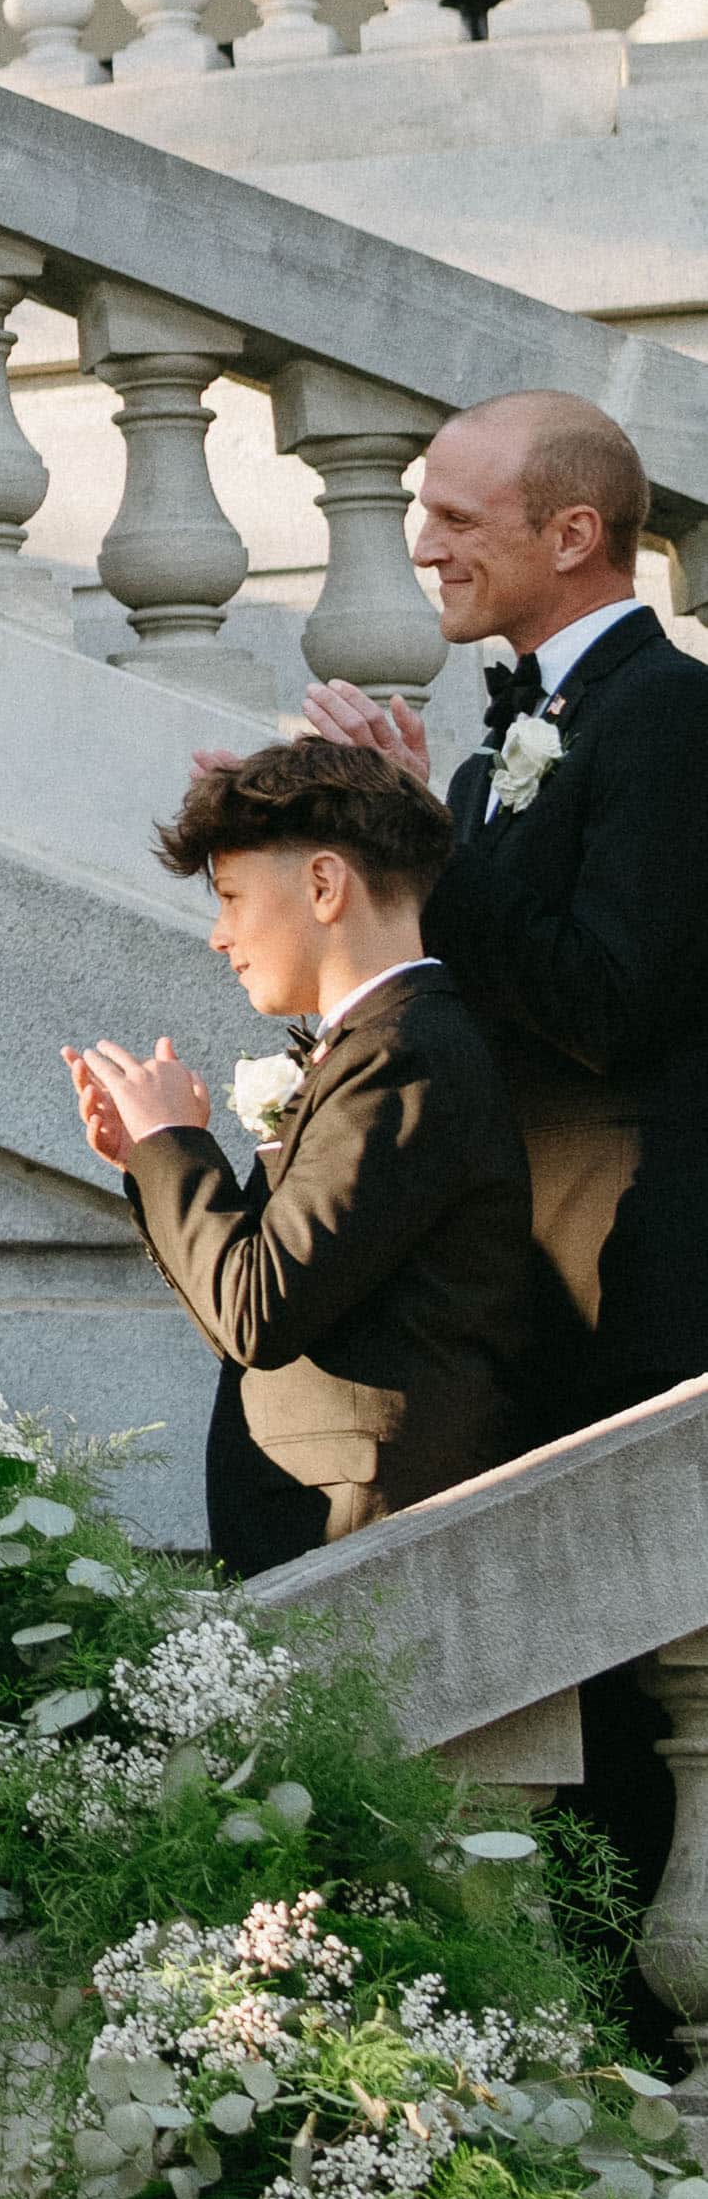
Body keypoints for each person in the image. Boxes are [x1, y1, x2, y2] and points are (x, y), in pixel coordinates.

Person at [307, 387, 708, 1884]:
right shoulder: (498, 750)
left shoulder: (673, 721)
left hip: (637, 1265)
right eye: (420, 512)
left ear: (575, 532)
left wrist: (432, 837)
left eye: (457, 518)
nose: (421, 545)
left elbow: (605, 998)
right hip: (522, 1272)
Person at [67, 733, 553, 1568]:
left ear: (325, 884)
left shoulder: (402, 1053)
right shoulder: (375, 1047)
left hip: (366, 1531)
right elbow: (243, 1317)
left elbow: (261, 1309)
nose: (220, 935)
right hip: (322, 1522)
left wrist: (175, 1146)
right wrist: (150, 1163)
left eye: (231, 896)